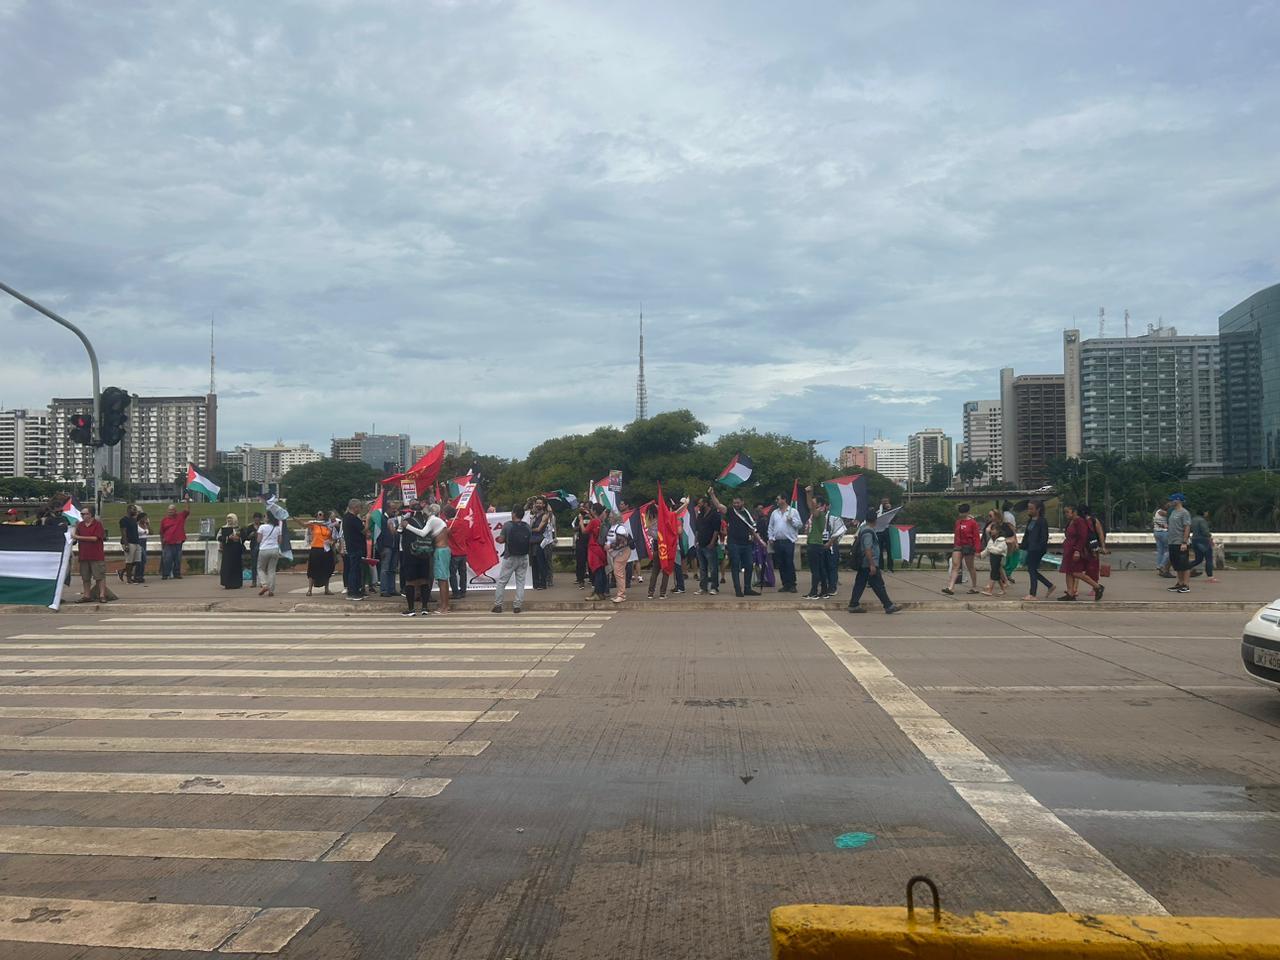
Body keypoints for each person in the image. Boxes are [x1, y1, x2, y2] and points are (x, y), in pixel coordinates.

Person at [709, 486, 764, 597]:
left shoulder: (747, 514)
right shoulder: (730, 511)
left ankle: (747, 588)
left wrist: (761, 541)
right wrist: (712, 495)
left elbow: (752, 530)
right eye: (734, 503)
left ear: (742, 502)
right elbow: (719, 506)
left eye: (738, 503)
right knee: (735, 565)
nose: (736, 505)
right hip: (733, 543)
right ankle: (738, 589)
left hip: (746, 543)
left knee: (749, 565)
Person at [847, 511, 901, 614]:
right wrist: (872, 564)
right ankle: (888, 606)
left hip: (864, 563)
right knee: (878, 585)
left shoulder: (863, 529)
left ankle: (853, 604)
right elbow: (868, 548)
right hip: (868, 563)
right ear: (875, 520)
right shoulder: (868, 531)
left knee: (861, 584)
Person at [405, 504, 452, 614]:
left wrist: (408, 526)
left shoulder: (432, 520)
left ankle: (444, 607)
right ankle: (445, 605)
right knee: (443, 579)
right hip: (443, 550)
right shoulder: (438, 521)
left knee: (442, 580)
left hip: (441, 551)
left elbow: (422, 533)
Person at [1058, 504, 1103, 601]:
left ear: (1074, 512)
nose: (1066, 514)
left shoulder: (1079, 521)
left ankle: (1097, 586)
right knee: (1069, 571)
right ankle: (1070, 592)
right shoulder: (1071, 522)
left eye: (1067, 512)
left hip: (1075, 550)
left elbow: (1082, 537)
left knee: (1076, 572)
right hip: (1069, 549)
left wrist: (1077, 550)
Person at [493, 504, 531, 613]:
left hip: (510, 557)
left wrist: (499, 539)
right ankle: (517, 606)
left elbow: (501, 539)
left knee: (502, 582)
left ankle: (498, 605)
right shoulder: (527, 526)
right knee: (520, 582)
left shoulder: (507, 525)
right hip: (523, 557)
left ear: (514, 513)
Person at [399, 500, 432, 616]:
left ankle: (411, 609)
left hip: (410, 555)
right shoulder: (427, 521)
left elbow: (398, 532)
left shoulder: (406, 522)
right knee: (424, 580)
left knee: (410, 582)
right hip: (425, 554)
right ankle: (424, 607)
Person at [766, 493, 802, 593]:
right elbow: (771, 526)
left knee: (789, 562)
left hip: (788, 541)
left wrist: (792, 521)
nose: (777, 501)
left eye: (778, 499)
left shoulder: (793, 511)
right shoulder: (774, 513)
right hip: (777, 541)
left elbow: (799, 525)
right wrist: (771, 537)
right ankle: (785, 584)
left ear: (784, 500)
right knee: (781, 564)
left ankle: (792, 584)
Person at [942, 504, 981, 595]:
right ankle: (951, 587)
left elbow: (976, 537)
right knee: (955, 566)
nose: (961, 514)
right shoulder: (958, 522)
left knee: (970, 567)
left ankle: (974, 586)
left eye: (963, 512)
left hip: (969, 546)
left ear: (967, 512)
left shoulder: (972, 523)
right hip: (958, 546)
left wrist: (977, 550)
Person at [802, 488, 834, 599]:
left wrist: (809, 493)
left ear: (819, 504)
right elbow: (809, 505)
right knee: (820, 569)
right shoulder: (817, 514)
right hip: (816, 543)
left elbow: (811, 506)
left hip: (814, 544)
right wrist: (808, 495)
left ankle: (814, 591)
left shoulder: (819, 513)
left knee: (815, 570)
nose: (812, 503)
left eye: (814, 501)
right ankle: (824, 591)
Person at [73, 505, 108, 603]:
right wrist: (75, 530)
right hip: (84, 555)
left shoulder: (97, 525)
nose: (83, 516)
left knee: (99, 576)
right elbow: (75, 539)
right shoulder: (80, 525)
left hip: (96, 555)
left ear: (91, 514)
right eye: (82, 514)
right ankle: (86, 595)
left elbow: (94, 538)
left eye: (85, 514)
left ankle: (102, 595)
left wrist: (78, 537)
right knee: (85, 577)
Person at [1021, 500, 1054, 600]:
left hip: (1037, 549)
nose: (1029, 510)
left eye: (1031, 508)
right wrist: (1022, 546)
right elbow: (1027, 535)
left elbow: (1044, 537)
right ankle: (1049, 585)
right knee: (1032, 570)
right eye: (1028, 508)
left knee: (1031, 570)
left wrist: (1039, 547)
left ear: (1038, 509)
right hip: (1030, 547)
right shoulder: (1030, 520)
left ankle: (1033, 594)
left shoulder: (1042, 521)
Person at [1165, 494, 1193, 593]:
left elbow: (1187, 527)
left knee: (1184, 564)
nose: (1170, 502)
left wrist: (1184, 542)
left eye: (1172, 500)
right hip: (1172, 541)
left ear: (1178, 500)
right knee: (1176, 564)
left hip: (1180, 542)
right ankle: (1180, 583)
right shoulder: (1173, 512)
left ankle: (1186, 584)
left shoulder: (1184, 513)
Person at [693, 496, 721, 595]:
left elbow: (716, 530)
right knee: (702, 568)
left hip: (710, 544)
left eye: (700, 503)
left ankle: (714, 587)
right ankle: (703, 587)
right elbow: (697, 529)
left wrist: (712, 543)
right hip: (700, 544)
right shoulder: (700, 515)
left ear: (706, 503)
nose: (699, 505)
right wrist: (695, 541)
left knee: (713, 567)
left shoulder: (714, 514)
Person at [980, 511, 1011, 597]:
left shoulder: (1001, 539)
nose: (991, 531)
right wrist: (981, 554)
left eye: (990, 515)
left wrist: (990, 549)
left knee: (994, 573)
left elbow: (999, 550)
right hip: (993, 557)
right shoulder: (991, 539)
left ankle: (990, 590)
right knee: (997, 575)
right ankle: (1003, 589)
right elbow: (987, 549)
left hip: (998, 558)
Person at [341, 499, 367, 601]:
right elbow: (364, 531)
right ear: (355, 507)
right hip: (356, 547)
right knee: (354, 570)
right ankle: (353, 591)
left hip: (351, 546)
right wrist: (368, 523)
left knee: (355, 569)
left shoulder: (346, 518)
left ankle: (355, 590)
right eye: (359, 507)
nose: (360, 509)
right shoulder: (353, 519)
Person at [584, 503, 609, 601]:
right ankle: (602, 592)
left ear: (594, 511)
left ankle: (597, 593)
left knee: (597, 571)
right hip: (600, 548)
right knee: (601, 571)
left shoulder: (593, 521)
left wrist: (582, 521)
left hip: (593, 548)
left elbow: (585, 531)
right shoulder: (601, 521)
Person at [607, 509, 633, 602]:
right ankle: (622, 593)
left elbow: (623, 542)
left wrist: (610, 546)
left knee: (618, 572)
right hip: (618, 553)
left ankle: (621, 595)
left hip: (622, 552)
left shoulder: (620, 528)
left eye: (610, 517)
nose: (609, 518)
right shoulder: (614, 527)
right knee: (620, 573)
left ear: (615, 518)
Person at [306, 511, 335, 596]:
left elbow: (332, 537)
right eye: (319, 514)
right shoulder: (314, 525)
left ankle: (326, 589)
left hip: (326, 549)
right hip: (316, 548)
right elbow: (304, 524)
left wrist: (331, 542)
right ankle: (309, 589)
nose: (321, 516)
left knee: (327, 569)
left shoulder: (328, 526)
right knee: (312, 569)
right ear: (316, 516)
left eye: (322, 514)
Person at [159, 504, 190, 580]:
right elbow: (161, 532)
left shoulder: (180, 516)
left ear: (175, 511)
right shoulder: (164, 520)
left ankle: (177, 573)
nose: (170, 512)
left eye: (172, 510)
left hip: (178, 542)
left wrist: (187, 500)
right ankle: (165, 574)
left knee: (178, 559)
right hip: (168, 543)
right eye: (169, 510)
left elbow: (187, 511)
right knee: (167, 559)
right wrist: (162, 542)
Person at [255, 513, 282, 597]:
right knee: (271, 570)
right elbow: (280, 541)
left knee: (260, 568)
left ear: (268, 518)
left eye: (265, 516)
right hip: (275, 549)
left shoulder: (262, 527)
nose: (264, 518)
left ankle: (264, 585)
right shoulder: (277, 528)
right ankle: (271, 590)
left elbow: (259, 540)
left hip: (264, 549)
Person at [447, 503, 469, 600]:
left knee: (452, 574)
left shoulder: (448, 525)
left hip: (454, 552)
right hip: (463, 551)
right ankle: (463, 591)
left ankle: (455, 592)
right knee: (462, 573)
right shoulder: (464, 522)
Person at [217, 513, 244, 590]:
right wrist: (228, 538)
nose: (229, 520)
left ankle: (236, 583)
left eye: (231, 519)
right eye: (228, 519)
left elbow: (244, 536)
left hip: (236, 550)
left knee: (236, 566)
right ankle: (227, 583)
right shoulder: (223, 528)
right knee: (227, 566)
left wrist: (238, 538)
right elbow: (219, 537)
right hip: (228, 551)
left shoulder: (238, 528)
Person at [1190, 508, 1217, 583]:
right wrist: (1209, 536)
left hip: (1194, 539)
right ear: (1204, 512)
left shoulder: (1193, 519)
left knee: (1198, 559)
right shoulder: (1202, 520)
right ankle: (1210, 576)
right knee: (1208, 558)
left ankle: (1185, 567)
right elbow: (1205, 531)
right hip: (1203, 540)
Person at [753, 503, 776, 589]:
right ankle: (762, 579)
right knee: (759, 562)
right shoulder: (757, 520)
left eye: (761, 509)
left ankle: (768, 580)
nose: (760, 511)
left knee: (765, 562)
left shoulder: (763, 520)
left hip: (762, 543)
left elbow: (760, 532)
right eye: (758, 509)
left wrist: (763, 542)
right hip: (758, 543)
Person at [118, 505, 142, 584]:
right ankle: (129, 578)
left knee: (137, 561)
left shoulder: (134, 520)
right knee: (129, 561)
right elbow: (123, 533)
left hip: (136, 542)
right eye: (133, 509)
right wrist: (126, 544)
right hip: (129, 542)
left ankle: (122, 571)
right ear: (128, 510)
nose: (135, 511)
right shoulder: (123, 520)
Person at [572, 504, 591, 587]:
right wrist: (580, 521)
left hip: (590, 541)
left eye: (584, 507)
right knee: (580, 561)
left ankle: (592, 579)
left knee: (590, 561)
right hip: (581, 541)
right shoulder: (578, 517)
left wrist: (589, 515)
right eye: (581, 506)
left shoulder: (592, 517)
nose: (582, 508)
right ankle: (580, 580)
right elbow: (574, 529)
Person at [875, 496, 895, 572]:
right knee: (879, 550)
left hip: (886, 530)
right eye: (884, 502)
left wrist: (890, 509)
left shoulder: (891, 510)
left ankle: (890, 567)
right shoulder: (878, 510)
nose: (885, 503)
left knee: (889, 549)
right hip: (879, 531)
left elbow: (894, 518)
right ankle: (880, 567)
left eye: (887, 502)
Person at [245, 512, 265, 587]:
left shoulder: (263, 526)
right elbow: (246, 537)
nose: (257, 520)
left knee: (262, 564)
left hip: (262, 546)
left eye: (258, 519)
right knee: (254, 564)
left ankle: (262, 581)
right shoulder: (250, 527)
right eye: (255, 519)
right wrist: (251, 535)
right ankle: (254, 581)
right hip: (253, 546)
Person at [1152, 507, 1172, 577]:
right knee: (1169, 550)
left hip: (1156, 532)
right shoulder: (1162, 512)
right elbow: (1170, 515)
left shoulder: (1156, 512)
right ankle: (1162, 565)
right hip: (1163, 532)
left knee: (1160, 551)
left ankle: (1159, 566)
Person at [135, 511, 151, 584]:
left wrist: (148, 525)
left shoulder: (145, 525)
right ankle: (138, 576)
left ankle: (140, 576)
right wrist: (145, 530)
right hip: (139, 542)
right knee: (142, 559)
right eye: (144, 518)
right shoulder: (137, 525)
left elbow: (151, 532)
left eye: (146, 518)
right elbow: (141, 532)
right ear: (140, 518)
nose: (146, 519)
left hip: (144, 542)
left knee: (142, 561)